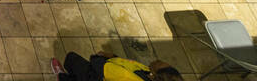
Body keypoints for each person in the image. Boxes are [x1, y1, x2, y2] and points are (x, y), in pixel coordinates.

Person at [50, 51, 183, 81]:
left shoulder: (126, 76)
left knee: (72, 60)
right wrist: (113, 56)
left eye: (160, 63)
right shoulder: (147, 72)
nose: (158, 60)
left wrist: (100, 57)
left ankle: (61, 76)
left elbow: (99, 66)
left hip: (97, 75)